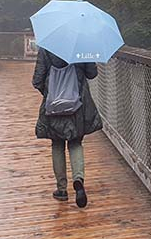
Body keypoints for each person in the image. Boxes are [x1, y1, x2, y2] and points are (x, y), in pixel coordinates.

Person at [32, 48, 102, 208]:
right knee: (75, 142)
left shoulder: (46, 47)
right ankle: (78, 180)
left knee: (57, 144)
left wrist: (51, 93)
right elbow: (92, 74)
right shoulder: (82, 46)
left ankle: (61, 189)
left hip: (53, 105)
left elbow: (37, 80)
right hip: (77, 104)